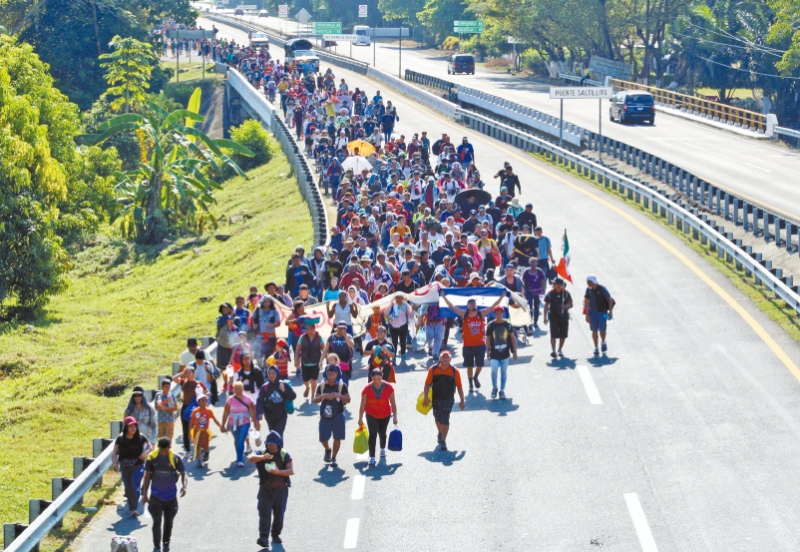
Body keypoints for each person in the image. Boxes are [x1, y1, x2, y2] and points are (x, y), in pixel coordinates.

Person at [439, 290, 505, 393]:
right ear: (467, 306)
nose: (472, 305)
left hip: (480, 344)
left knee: (480, 364)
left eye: (474, 303)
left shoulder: (481, 314)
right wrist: (443, 296)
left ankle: (476, 377)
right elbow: (451, 306)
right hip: (468, 345)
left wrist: (502, 296)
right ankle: (470, 384)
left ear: (476, 305)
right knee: (469, 365)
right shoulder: (464, 315)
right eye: (470, 303)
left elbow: (493, 306)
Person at [249, 430, 293, 550]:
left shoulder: (284, 455)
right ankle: (263, 537)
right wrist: (263, 457)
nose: (271, 446)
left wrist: (278, 472)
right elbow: (250, 458)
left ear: (278, 444)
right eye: (269, 443)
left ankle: (275, 534)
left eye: (273, 444)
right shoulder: (262, 453)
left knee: (279, 515)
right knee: (264, 514)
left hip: (281, 491)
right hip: (265, 490)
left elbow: (290, 471)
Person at [141, 437, 187, 552]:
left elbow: (183, 473)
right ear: (159, 448)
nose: (163, 453)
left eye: (165, 451)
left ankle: (166, 542)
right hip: (156, 496)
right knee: (156, 522)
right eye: (162, 450)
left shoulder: (175, 459)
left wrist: (184, 486)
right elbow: (147, 477)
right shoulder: (152, 458)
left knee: (169, 522)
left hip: (171, 497)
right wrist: (145, 494)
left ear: (170, 448)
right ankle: (156, 546)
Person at [421, 350, 465, 451]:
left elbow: (459, 387)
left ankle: (443, 440)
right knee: (437, 418)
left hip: (448, 399)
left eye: (447, 357)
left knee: (445, 419)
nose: (445, 359)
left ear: (451, 359)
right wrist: (426, 397)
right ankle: (440, 432)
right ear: (440, 358)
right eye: (443, 357)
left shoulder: (455, 371)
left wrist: (462, 401)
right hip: (436, 398)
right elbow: (427, 384)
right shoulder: (433, 369)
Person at [112, 417, 152, 517]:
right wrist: (115, 463)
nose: (133, 428)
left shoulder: (141, 437)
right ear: (126, 428)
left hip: (137, 466)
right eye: (130, 426)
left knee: (135, 485)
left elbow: (150, 446)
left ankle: (133, 508)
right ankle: (132, 506)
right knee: (128, 487)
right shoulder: (121, 439)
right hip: (125, 467)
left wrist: (145, 453)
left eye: (134, 426)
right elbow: (115, 452)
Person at [358, 368, 398, 466]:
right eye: (374, 379)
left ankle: (382, 449)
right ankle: (372, 457)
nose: (377, 382)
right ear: (371, 378)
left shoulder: (389, 387)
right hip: (371, 414)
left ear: (382, 377)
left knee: (382, 433)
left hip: (385, 414)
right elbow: (363, 404)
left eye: (379, 379)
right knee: (372, 434)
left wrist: (395, 416)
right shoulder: (366, 389)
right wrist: (360, 418)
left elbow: (393, 403)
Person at [314, 365, 350, 468]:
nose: (331, 376)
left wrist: (339, 396)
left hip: (338, 414)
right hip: (324, 416)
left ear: (337, 374)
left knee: (337, 437)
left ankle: (333, 458)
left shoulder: (341, 386)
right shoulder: (321, 386)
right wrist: (321, 396)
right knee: (322, 438)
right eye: (329, 374)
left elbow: (348, 399)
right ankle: (327, 449)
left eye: (333, 374)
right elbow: (315, 400)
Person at [222, 381, 260, 467]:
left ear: (243, 389)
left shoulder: (248, 399)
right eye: (236, 388)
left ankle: (239, 459)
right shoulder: (230, 400)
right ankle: (239, 454)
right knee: (237, 440)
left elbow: (252, 411)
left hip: (245, 422)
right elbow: (225, 412)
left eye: (240, 388)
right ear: (233, 389)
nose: (238, 390)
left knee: (240, 439)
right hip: (233, 423)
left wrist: (255, 423)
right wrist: (222, 425)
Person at [486, 305, 517, 399]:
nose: (498, 315)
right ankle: (495, 388)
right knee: (494, 370)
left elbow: (512, 338)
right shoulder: (491, 325)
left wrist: (515, 350)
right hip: (494, 353)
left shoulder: (508, 324)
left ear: (503, 314)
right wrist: (487, 351)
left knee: (504, 371)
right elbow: (488, 338)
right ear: (494, 314)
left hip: (505, 353)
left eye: (500, 313)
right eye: (497, 313)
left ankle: (502, 390)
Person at [257, 365, 296, 438]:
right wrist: (259, 412)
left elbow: (293, 396)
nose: (271, 375)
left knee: (278, 435)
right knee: (272, 435)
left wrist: (284, 390)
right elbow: (260, 401)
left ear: (277, 373)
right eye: (269, 373)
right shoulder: (265, 387)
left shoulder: (283, 384)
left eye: (273, 373)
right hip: (269, 416)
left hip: (281, 416)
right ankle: (276, 449)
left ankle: (280, 449)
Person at [189, 394, 224, 467]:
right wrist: (189, 432)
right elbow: (191, 422)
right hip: (197, 431)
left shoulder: (209, 411)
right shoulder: (195, 411)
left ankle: (207, 452)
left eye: (206, 400)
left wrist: (220, 426)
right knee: (197, 446)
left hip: (205, 431)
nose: (205, 401)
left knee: (206, 446)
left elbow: (214, 419)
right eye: (202, 400)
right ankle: (199, 461)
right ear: (198, 402)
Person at [584, 275, 615, 355]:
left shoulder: (602, 289)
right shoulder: (588, 290)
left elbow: (609, 300)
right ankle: (596, 347)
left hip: (602, 312)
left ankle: (603, 341)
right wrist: (587, 315)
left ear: (591, 282)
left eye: (588, 282)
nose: (587, 283)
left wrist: (610, 312)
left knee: (602, 329)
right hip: (592, 312)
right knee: (594, 330)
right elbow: (587, 302)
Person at [543, 278, 573, 358]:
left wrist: (565, 306)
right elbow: (546, 305)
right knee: (553, 334)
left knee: (563, 334)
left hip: (564, 317)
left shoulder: (566, 293)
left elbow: (571, 304)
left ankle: (560, 349)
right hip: (553, 316)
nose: (553, 284)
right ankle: (553, 350)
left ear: (559, 285)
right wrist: (545, 317)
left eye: (555, 283)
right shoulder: (550, 293)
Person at [294, 319, 324, 399]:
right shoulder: (302, 337)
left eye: (311, 328)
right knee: (305, 380)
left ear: (314, 329)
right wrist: (296, 359)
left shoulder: (319, 337)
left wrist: (325, 360)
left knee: (314, 379)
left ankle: (313, 395)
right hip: (305, 362)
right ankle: (307, 387)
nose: (309, 330)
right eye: (307, 329)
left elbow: (324, 349)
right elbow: (297, 349)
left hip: (315, 362)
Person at [383, 294, 413, 360]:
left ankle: (403, 354)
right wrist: (391, 305)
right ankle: (394, 356)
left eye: (400, 298)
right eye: (397, 298)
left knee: (403, 341)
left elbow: (411, 315)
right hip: (393, 326)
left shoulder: (405, 305)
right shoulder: (392, 305)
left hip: (403, 326)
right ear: (395, 298)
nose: (398, 299)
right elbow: (385, 313)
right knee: (394, 342)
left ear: (402, 298)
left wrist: (413, 308)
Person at [521, 257, 547, 333]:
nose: (533, 264)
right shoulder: (526, 271)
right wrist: (523, 291)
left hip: (537, 292)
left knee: (537, 307)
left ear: (536, 263)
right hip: (529, 291)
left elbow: (543, 281)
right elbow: (524, 282)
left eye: (534, 262)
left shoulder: (539, 271)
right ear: (529, 263)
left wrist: (543, 291)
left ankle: (535, 321)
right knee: (529, 307)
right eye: (531, 262)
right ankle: (530, 321)